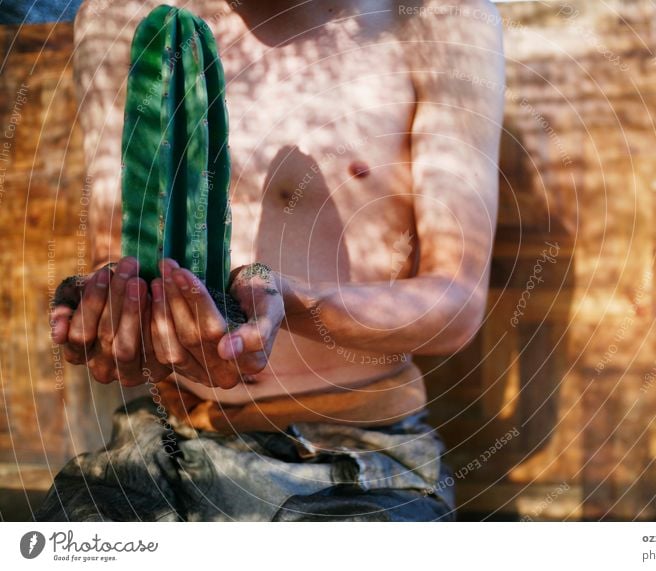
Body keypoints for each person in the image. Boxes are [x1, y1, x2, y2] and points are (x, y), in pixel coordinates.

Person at [37, 0, 504, 521]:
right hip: (166, 432)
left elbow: (455, 302)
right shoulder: (119, 16)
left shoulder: (436, 16)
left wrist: (292, 303)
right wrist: (107, 308)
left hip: (355, 452)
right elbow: (125, 252)